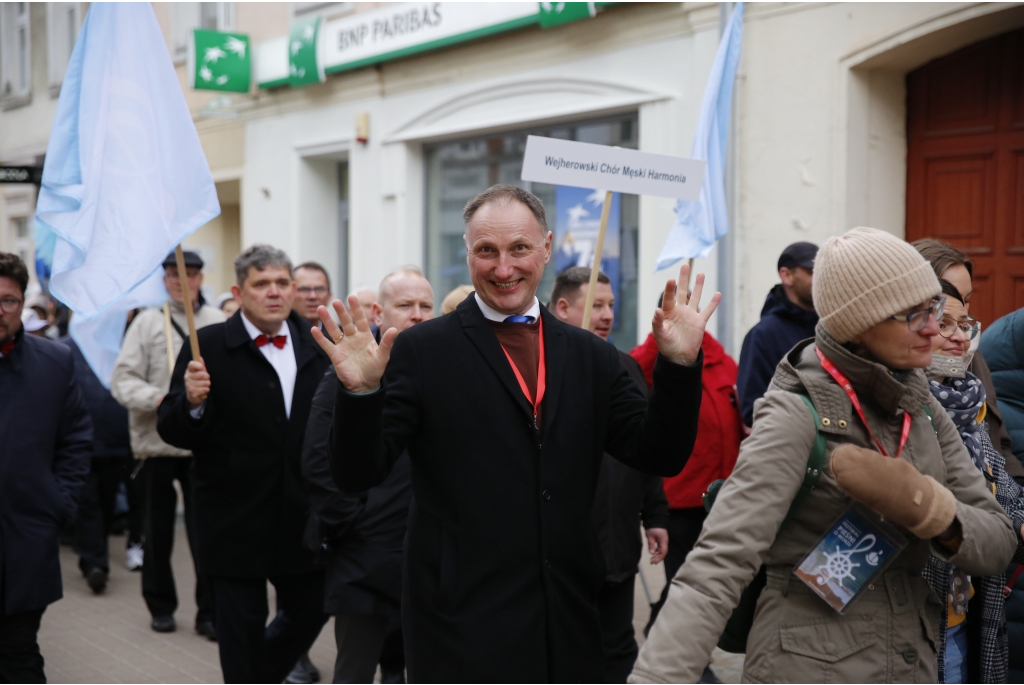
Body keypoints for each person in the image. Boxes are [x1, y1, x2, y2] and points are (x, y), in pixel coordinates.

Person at [314, 184, 714, 682]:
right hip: (460, 623)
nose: (504, 269)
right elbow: (358, 473)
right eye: (487, 251)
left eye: (519, 249)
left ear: (546, 247)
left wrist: (678, 365)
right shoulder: (422, 351)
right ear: (468, 253)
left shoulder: (590, 356)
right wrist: (360, 396)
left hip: (565, 619)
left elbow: (659, 452)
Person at [629, 227, 1018, 683]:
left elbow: (997, 542)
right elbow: (716, 567)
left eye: (933, 308)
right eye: (915, 315)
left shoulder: (925, 408)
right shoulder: (797, 412)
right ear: (861, 322)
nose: (934, 328)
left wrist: (929, 508)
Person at [157, 244, 331, 683]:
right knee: (239, 635)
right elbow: (171, 427)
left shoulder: (319, 343)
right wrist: (193, 403)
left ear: (292, 289)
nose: (273, 292)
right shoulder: (209, 345)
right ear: (240, 290)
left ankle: (261, 674)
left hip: (302, 518)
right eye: (261, 284)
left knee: (315, 607)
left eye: (280, 283)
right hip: (233, 519)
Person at [304, 266, 434, 684]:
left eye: (425, 305)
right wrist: (357, 524)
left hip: (426, 559)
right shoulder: (351, 368)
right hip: (365, 560)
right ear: (379, 311)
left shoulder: (440, 368)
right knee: (356, 671)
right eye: (406, 305)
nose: (417, 314)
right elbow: (319, 460)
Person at [549, 266, 669, 682]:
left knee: (619, 650)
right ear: (562, 308)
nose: (607, 315)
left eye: (611, 305)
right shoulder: (540, 369)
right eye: (596, 305)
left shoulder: (624, 367)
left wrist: (654, 515)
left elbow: (645, 447)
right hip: (563, 554)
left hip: (619, 551)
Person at [110, 250, 223, 637]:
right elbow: (122, 380)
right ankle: (160, 607)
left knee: (206, 533)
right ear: (164, 280)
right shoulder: (145, 324)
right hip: (155, 445)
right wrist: (160, 401)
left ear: (200, 279)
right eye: (175, 275)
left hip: (202, 446)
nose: (182, 281)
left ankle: (209, 612)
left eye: (189, 274)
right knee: (156, 534)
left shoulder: (217, 322)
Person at [918, 280, 1024, 683]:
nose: (960, 337)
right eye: (944, 323)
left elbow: (999, 488)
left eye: (965, 324)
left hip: (965, 615)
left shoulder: (967, 401)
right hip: (916, 619)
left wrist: (1018, 522)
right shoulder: (895, 408)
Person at [0, 252, 91, 683]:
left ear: (23, 305)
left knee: (19, 652)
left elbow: (75, 439)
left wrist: (59, 504)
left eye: (9, 300)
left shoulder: (54, 363)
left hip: (25, 540)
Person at [630, 300, 743, 635]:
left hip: (720, 495)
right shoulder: (654, 356)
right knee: (685, 579)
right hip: (679, 496)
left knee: (708, 579)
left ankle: (660, 633)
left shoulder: (724, 363)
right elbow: (636, 371)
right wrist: (661, 336)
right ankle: (677, 650)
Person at [914, 238, 1024, 478]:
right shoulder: (901, 373)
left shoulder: (972, 359)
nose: (961, 308)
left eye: (966, 299)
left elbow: (999, 445)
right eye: (948, 295)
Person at [61, 333, 134, 595]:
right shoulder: (66, 349)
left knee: (106, 502)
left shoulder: (122, 344)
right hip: (80, 444)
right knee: (88, 502)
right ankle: (95, 563)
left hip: (116, 443)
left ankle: (93, 552)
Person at [736, 241, 819, 427]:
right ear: (786, 275)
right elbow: (752, 409)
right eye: (811, 272)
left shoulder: (832, 329)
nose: (820, 278)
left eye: (823, 271)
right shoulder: (762, 336)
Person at [293, 262, 334, 328]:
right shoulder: (279, 335)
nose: (313, 296)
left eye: (319, 289)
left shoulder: (341, 336)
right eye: (304, 289)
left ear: (329, 297)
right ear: (290, 295)